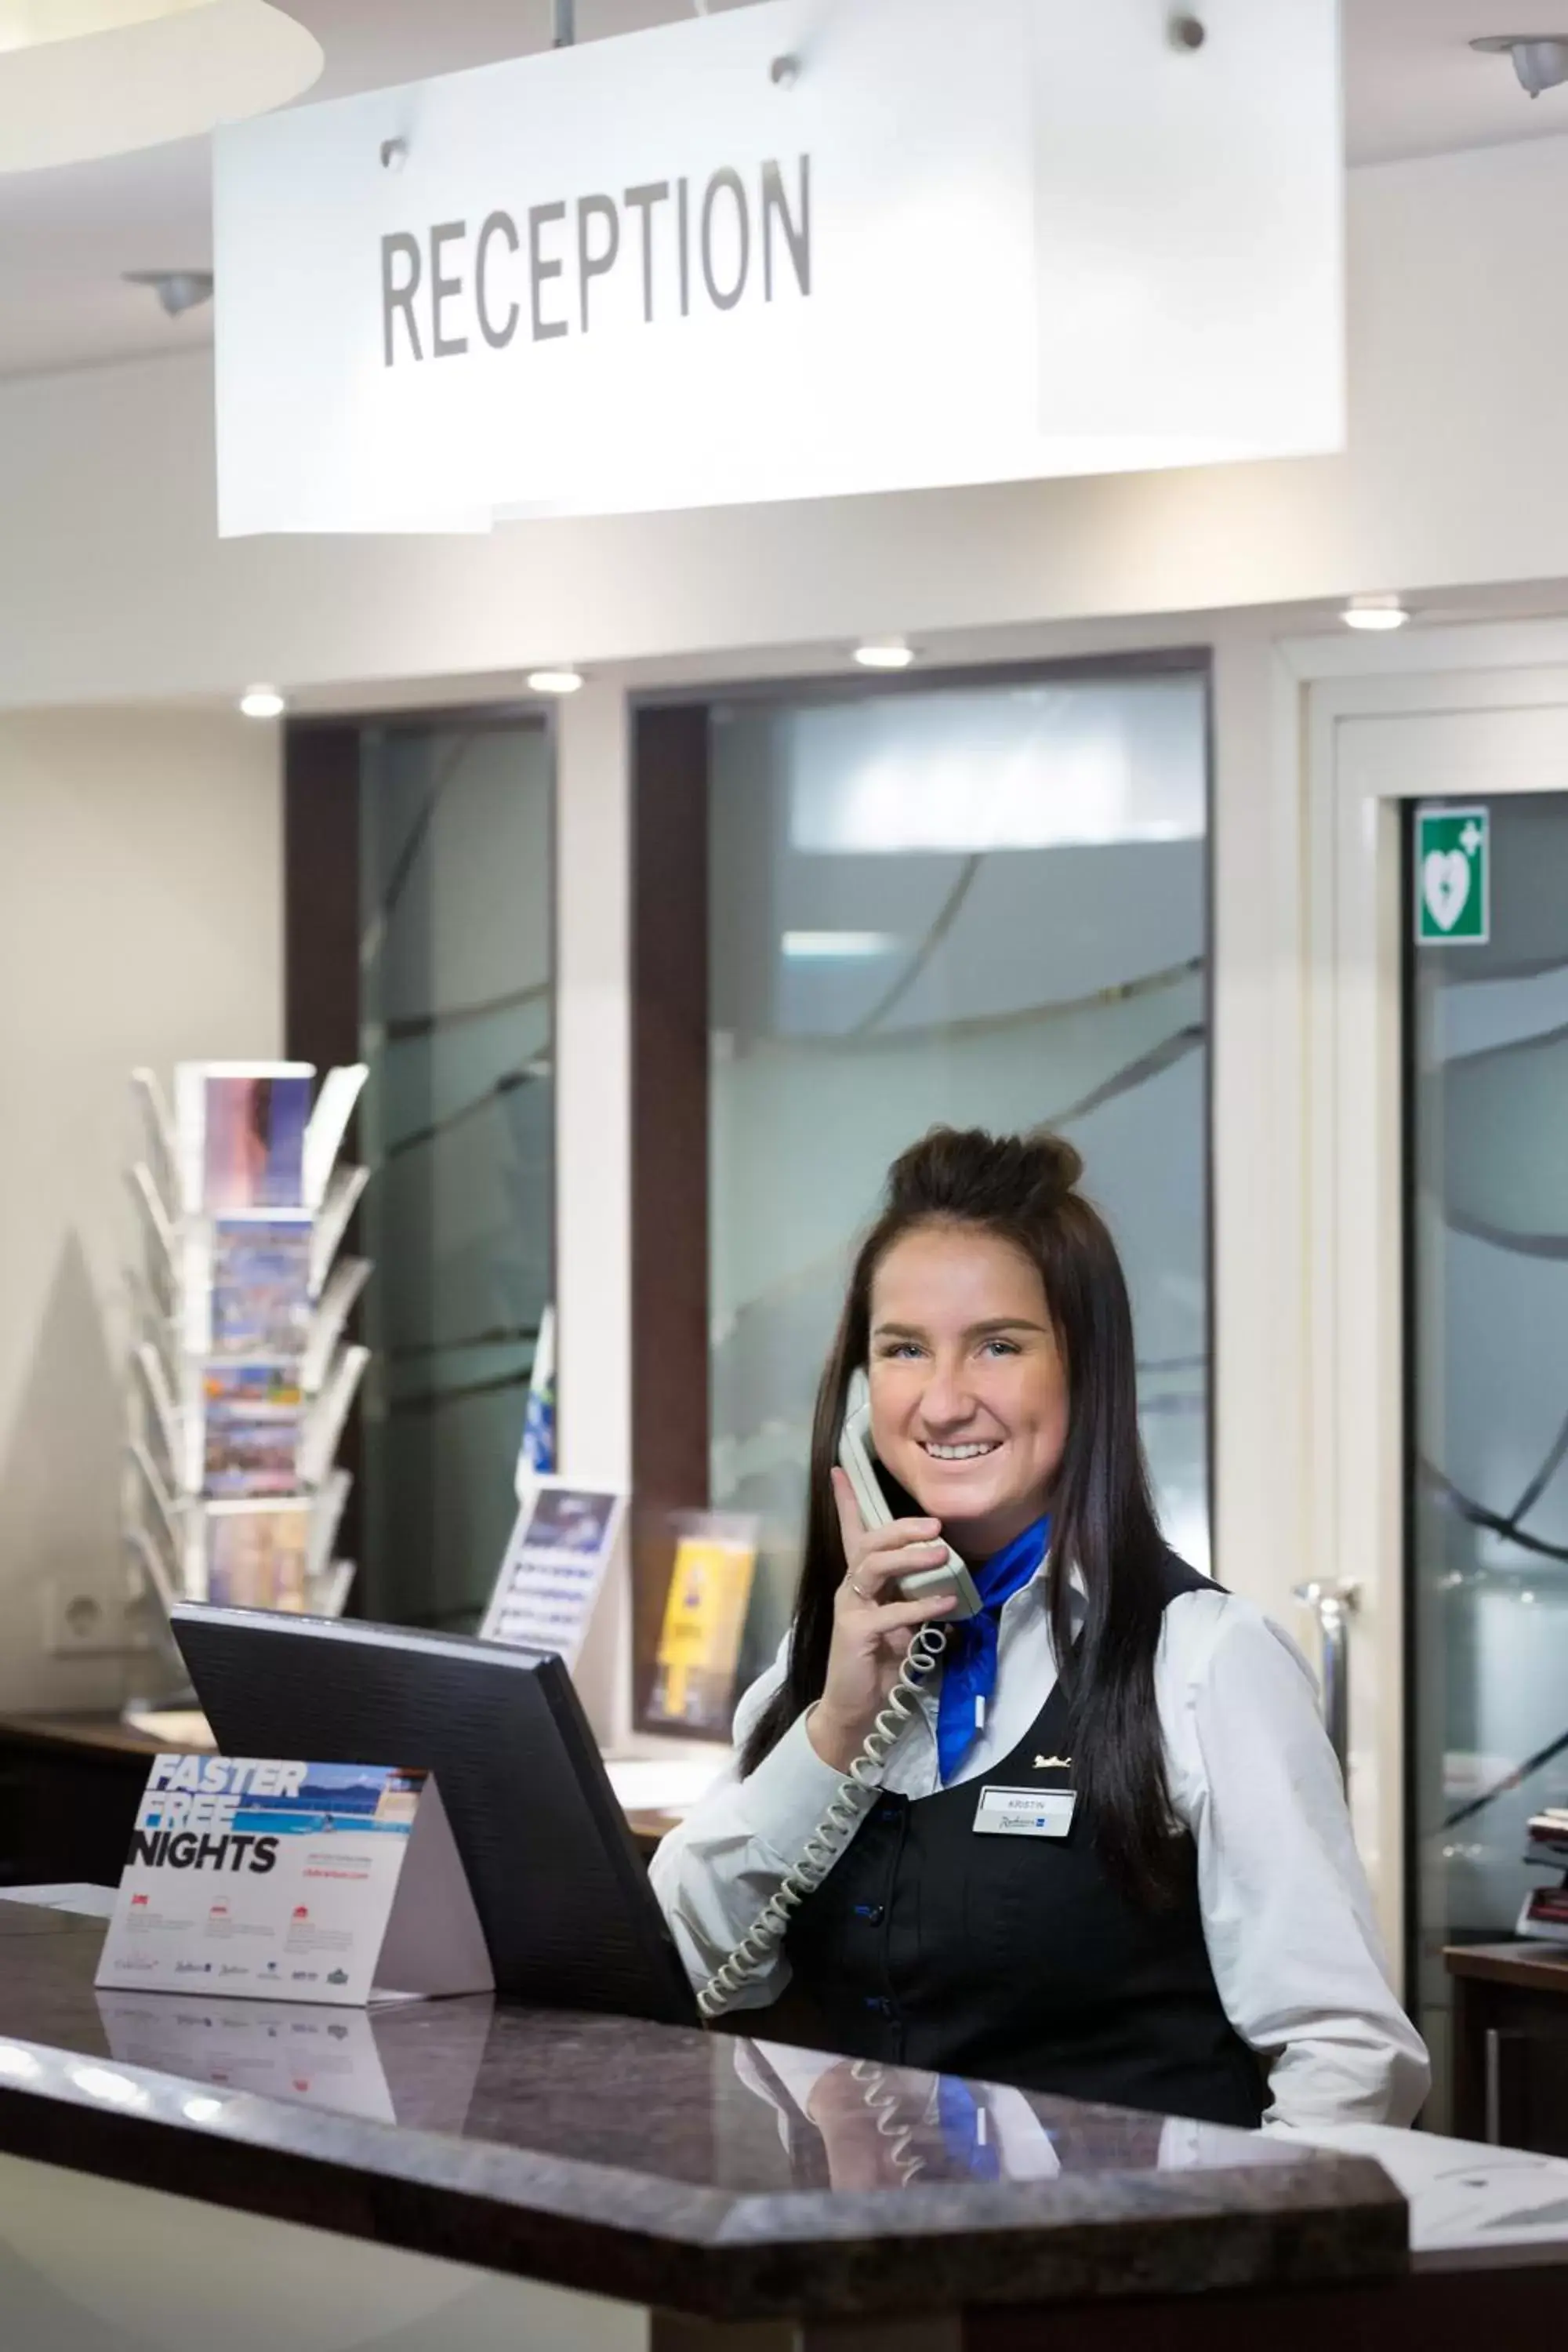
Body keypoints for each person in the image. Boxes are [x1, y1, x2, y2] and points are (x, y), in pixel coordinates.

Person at [650, 1127, 1429, 2132]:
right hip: (863, 2265)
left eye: (998, 1345)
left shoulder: (1201, 1661)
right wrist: (836, 1727)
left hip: (1128, 2270)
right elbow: (675, 1966)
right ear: (856, 1395)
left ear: (1084, 1370)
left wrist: (1234, 2259)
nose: (940, 1401)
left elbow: (1347, 2055)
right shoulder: (816, 1668)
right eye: (901, 1351)